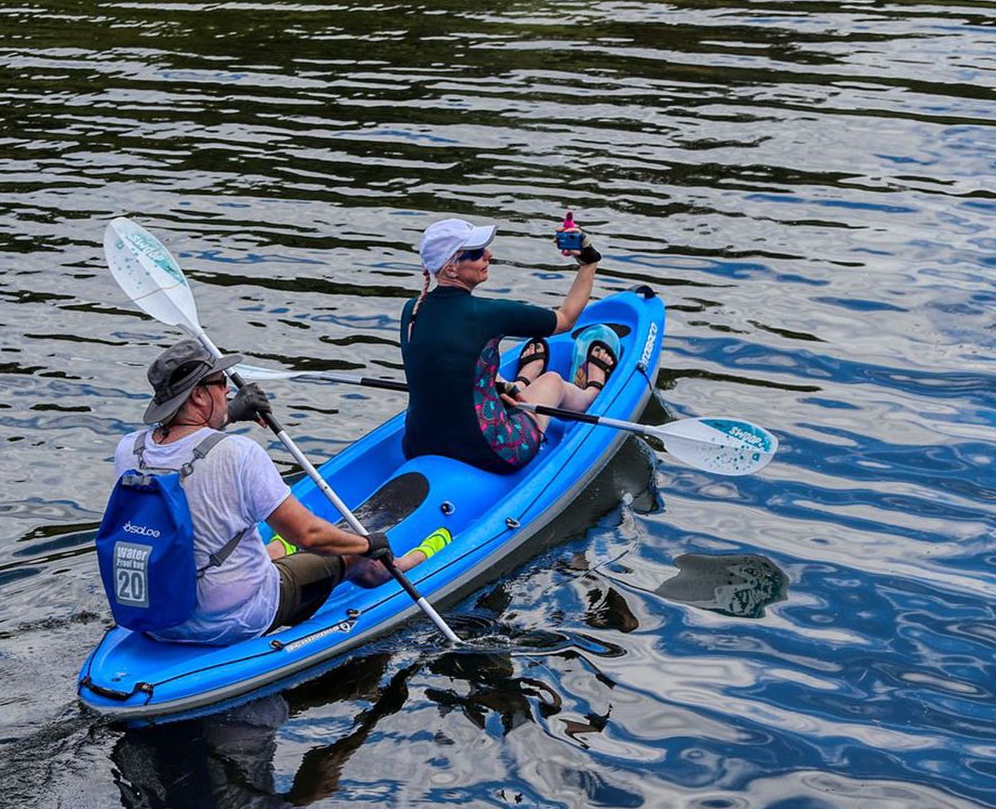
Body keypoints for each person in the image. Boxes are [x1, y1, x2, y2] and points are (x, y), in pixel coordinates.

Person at [112, 339, 435, 646]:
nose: (226, 391)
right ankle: (415, 560)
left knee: (262, 547)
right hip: (232, 619)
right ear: (198, 396)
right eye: (221, 383)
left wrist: (231, 414)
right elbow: (308, 536)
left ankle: (275, 554)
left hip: (159, 617)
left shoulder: (130, 450)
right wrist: (367, 543)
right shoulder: (240, 453)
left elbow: (187, 449)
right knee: (355, 555)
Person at [398, 216, 618, 473]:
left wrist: (504, 388)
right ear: (451, 268)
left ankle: (519, 384)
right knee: (553, 381)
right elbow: (566, 319)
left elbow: (445, 364)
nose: (488, 255)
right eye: (477, 253)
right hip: (491, 453)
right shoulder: (489, 314)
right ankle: (591, 392)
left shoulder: (412, 309)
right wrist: (589, 261)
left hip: (417, 445)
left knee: (475, 368)